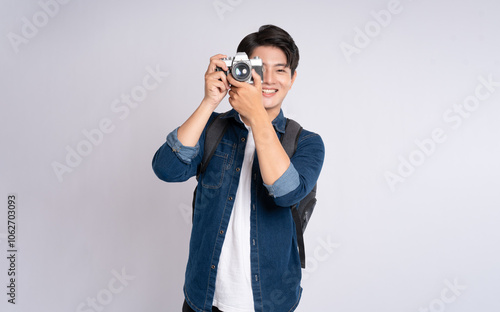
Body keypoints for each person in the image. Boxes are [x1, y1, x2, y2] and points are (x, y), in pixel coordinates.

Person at [152, 25, 325, 312]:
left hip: (270, 301)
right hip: (204, 298)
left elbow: (284, 192)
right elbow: (166, 169)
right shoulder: (213, 129)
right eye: (258, 68)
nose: (267, 80)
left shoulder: (306, 142)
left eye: (280, 70)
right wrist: (210, 102)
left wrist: (257, 113)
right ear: (238, 69)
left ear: (292, 78)